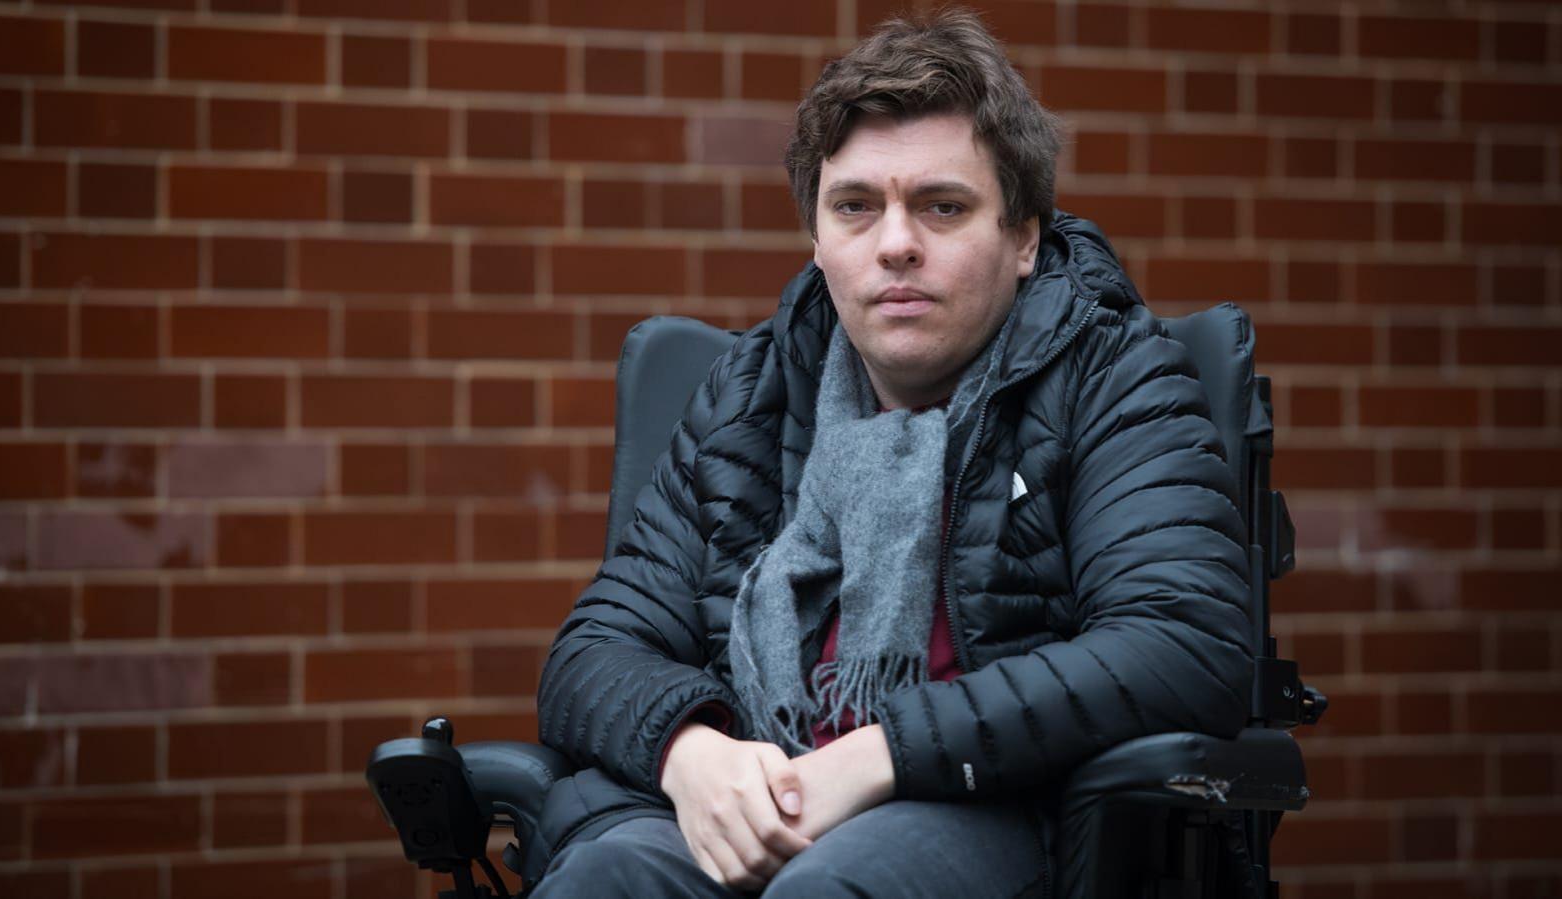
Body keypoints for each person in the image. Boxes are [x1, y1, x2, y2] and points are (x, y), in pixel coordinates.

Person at [528, 9, 1254, 897]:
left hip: (991, 808)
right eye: (856, 206)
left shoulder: (1111, 377)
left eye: (942, 206)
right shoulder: (749, 396)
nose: (896, 242)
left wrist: (880, 754)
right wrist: (689, 751)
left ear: (1024, 237)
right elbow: (597, 648)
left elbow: (1182, 642)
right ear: (819, 237)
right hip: (757, 794)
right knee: (604, 877)